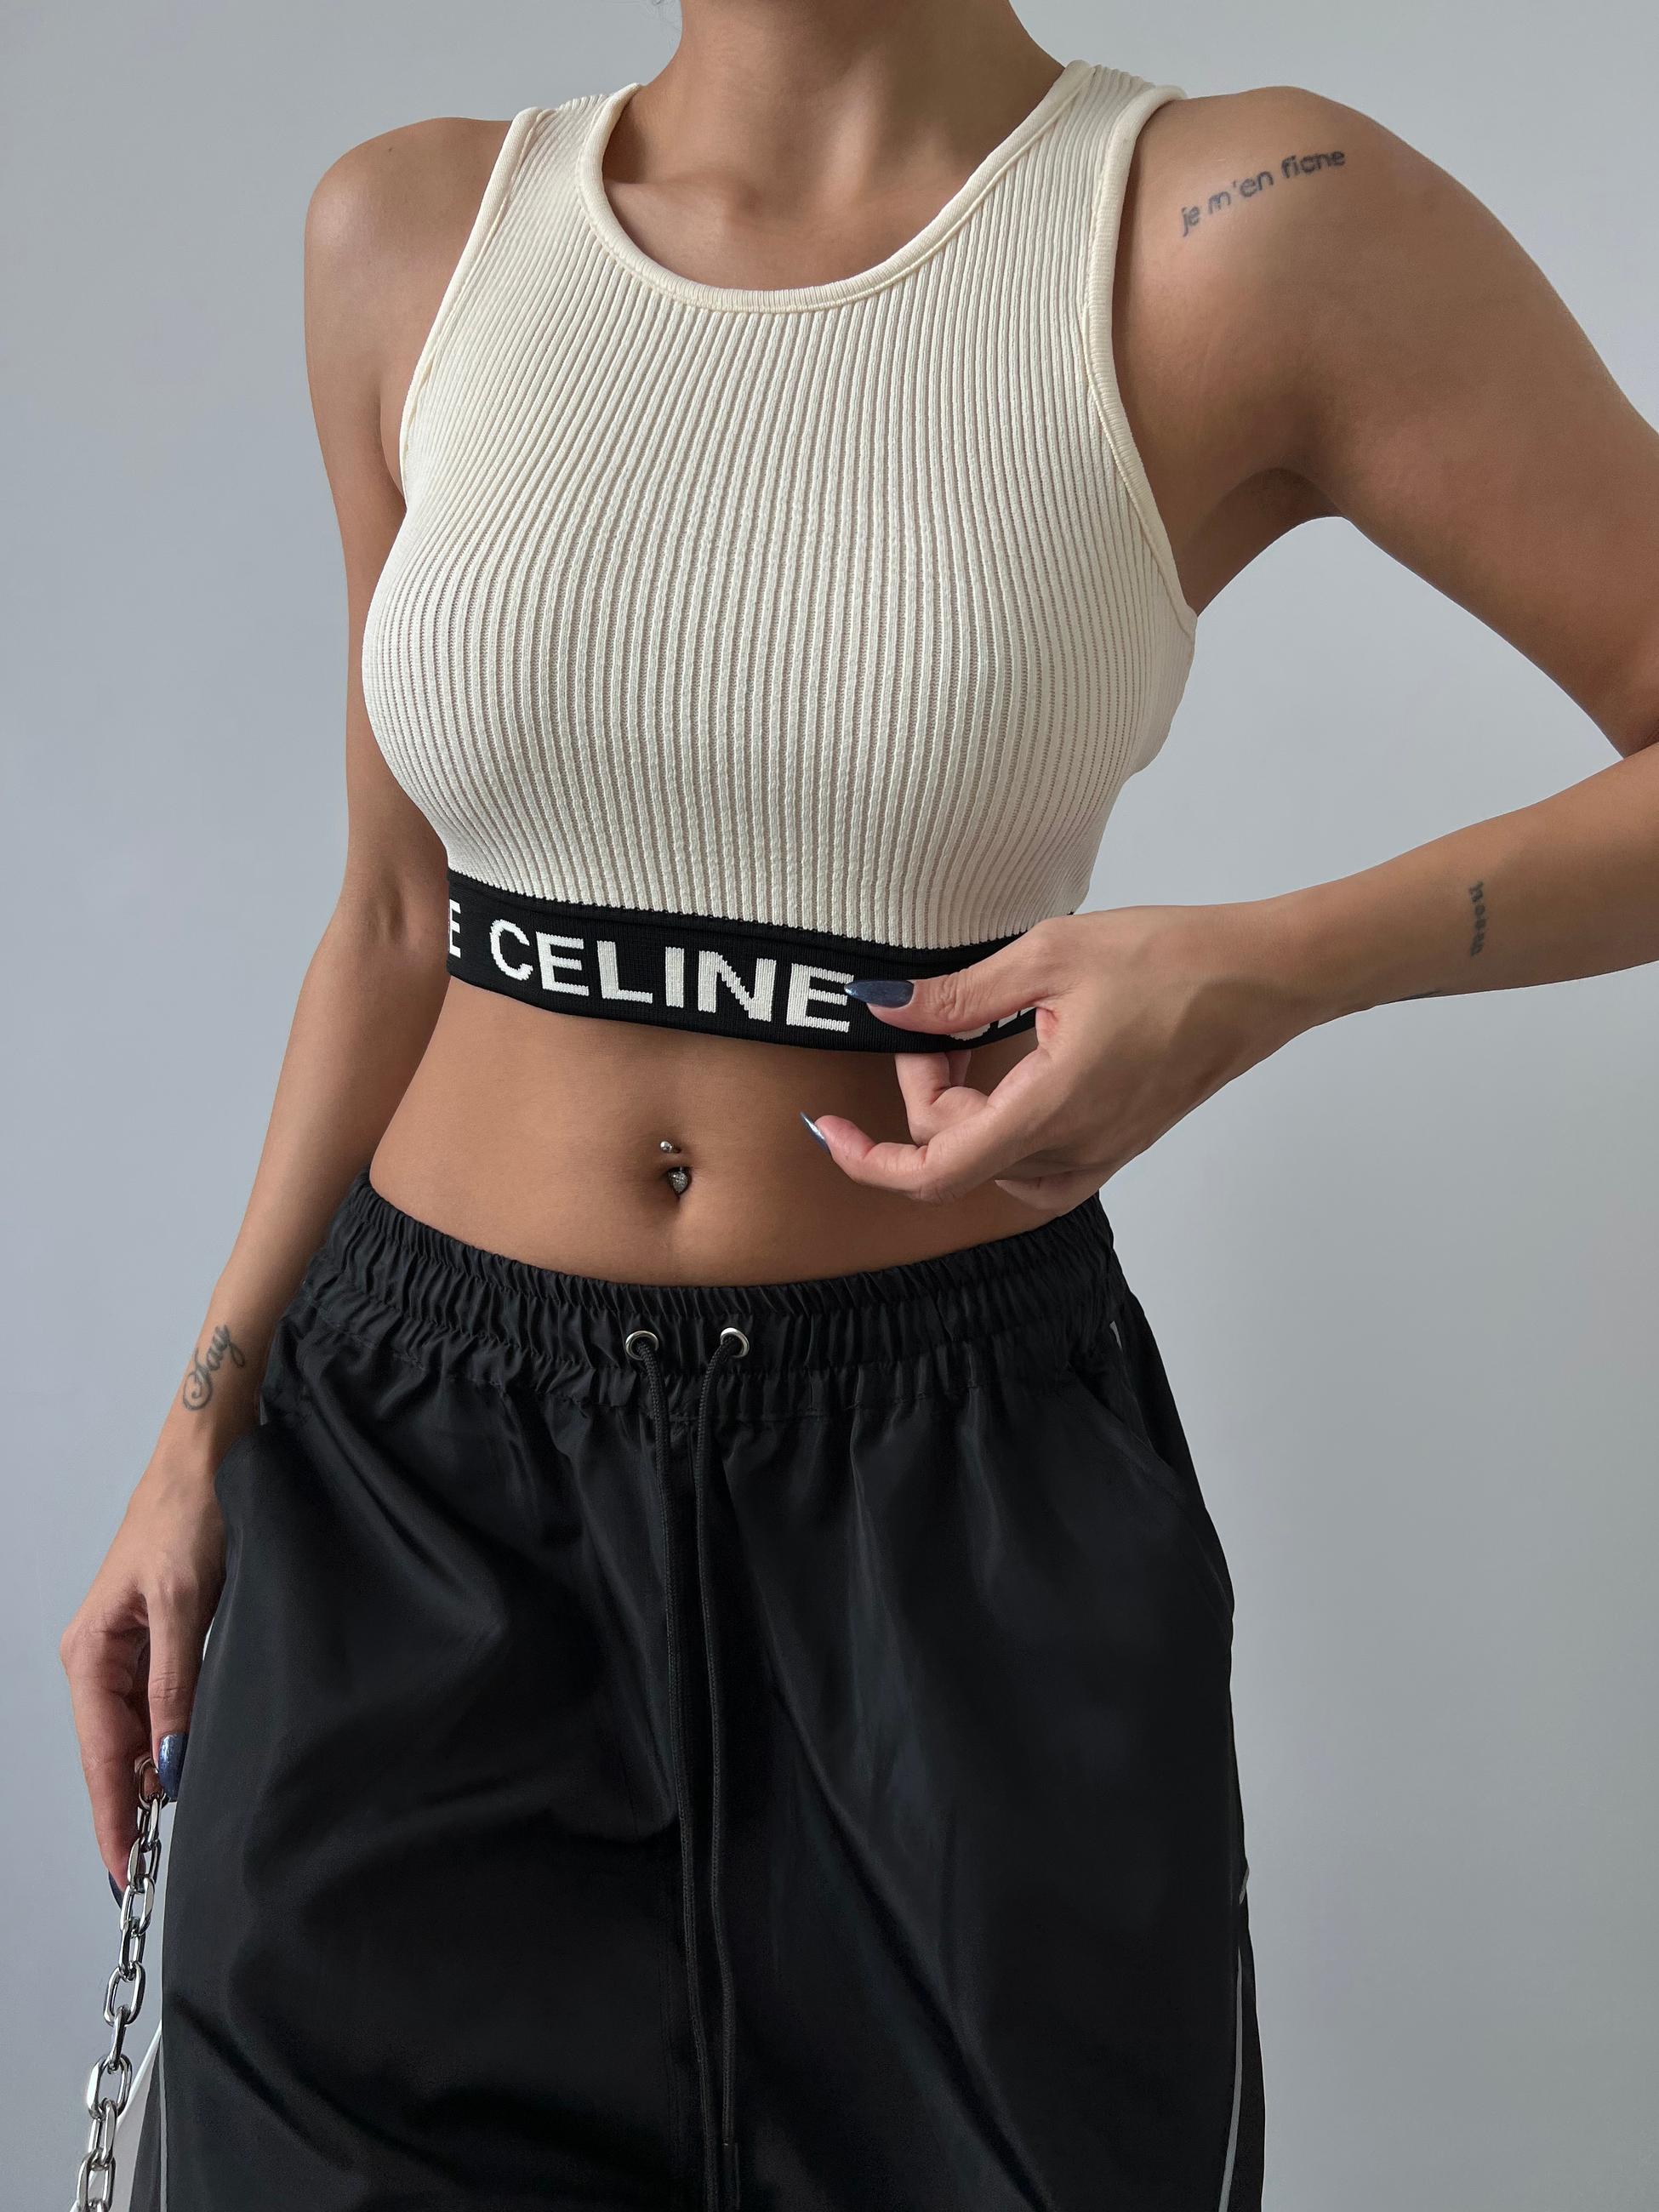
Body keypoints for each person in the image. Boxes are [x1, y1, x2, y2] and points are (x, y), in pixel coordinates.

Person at [61, 3, 1659, 2208]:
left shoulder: (1228, 228)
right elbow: (399, 919)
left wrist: (1268, 967)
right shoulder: (419, 232)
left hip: (945, 1523)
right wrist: (200, 1423)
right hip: (413, 1498)